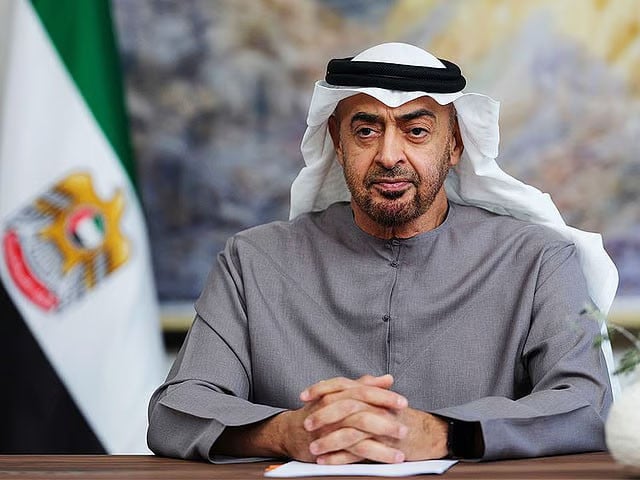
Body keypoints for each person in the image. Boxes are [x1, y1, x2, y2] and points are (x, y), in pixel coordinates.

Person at [147, 43, 618, 464]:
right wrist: (287, 432)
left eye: (416, 131)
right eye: (367, 131)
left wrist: (443, 433)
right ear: (338, 142)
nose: (389, 155)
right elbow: (175, 410)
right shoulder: (252, 262)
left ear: (454, 144)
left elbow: (586, 404)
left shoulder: (537, 260)